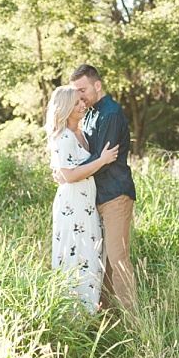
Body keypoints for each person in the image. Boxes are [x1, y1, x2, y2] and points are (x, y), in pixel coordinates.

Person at [66, 64, 138, 315]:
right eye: (76, 91)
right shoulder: (90, 112)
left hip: (115, 195)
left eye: (83, 89)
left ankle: (135, 322)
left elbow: (101, 158)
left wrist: (69, 172)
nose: (80, 96)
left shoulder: (110, 113)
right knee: (102, 261)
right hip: (96, 197)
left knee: (118, 259)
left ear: (98, 85)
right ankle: (105, 319)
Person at [45, 86, 119, 313]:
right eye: (77, 102)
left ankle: (88, 313)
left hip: (87, 205)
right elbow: (69, 175)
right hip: (73, 205)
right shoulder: (63, 137)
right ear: (66, 107)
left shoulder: (82, 133)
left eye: (82, 101)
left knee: (90, 255)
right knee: (75, 254)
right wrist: (102, 160)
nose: (82, 105)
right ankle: (72, 315)